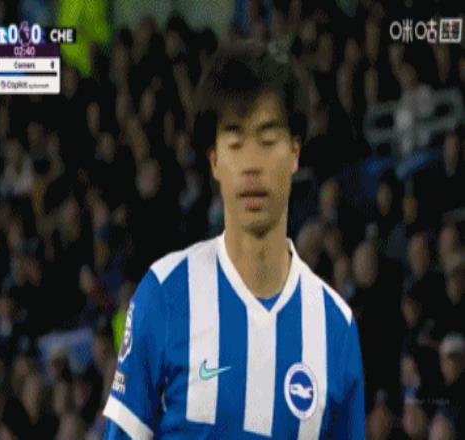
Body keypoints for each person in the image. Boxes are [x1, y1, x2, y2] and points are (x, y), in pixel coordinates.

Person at [103, 41, 365, 439]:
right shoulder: (165, 295)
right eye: (236, 143)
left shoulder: (335, 327)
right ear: (214, 160)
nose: (252, 165)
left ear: (295, 153)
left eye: (267, 140)